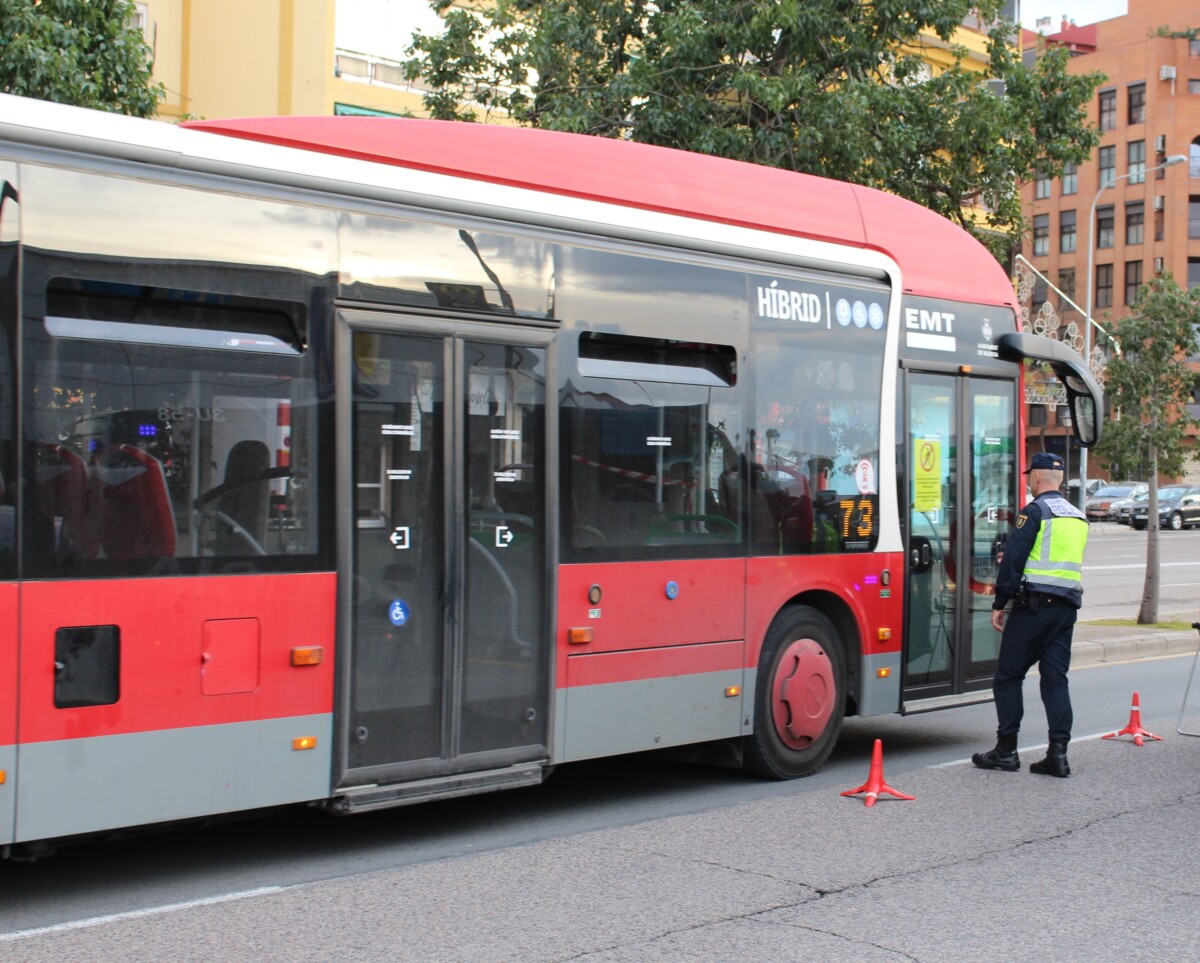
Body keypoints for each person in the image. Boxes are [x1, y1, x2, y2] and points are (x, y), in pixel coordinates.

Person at [972, 451, 1089, 778]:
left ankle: (1006, 751)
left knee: (1008, 677)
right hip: (1066, 609)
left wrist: (1000, 603)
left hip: (1035, 607)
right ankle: (1058, 755)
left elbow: (1013, 560)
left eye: (1029, 477)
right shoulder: (1079, 517)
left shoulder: (1034, 512)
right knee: (1055, 679)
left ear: (1036, 477)